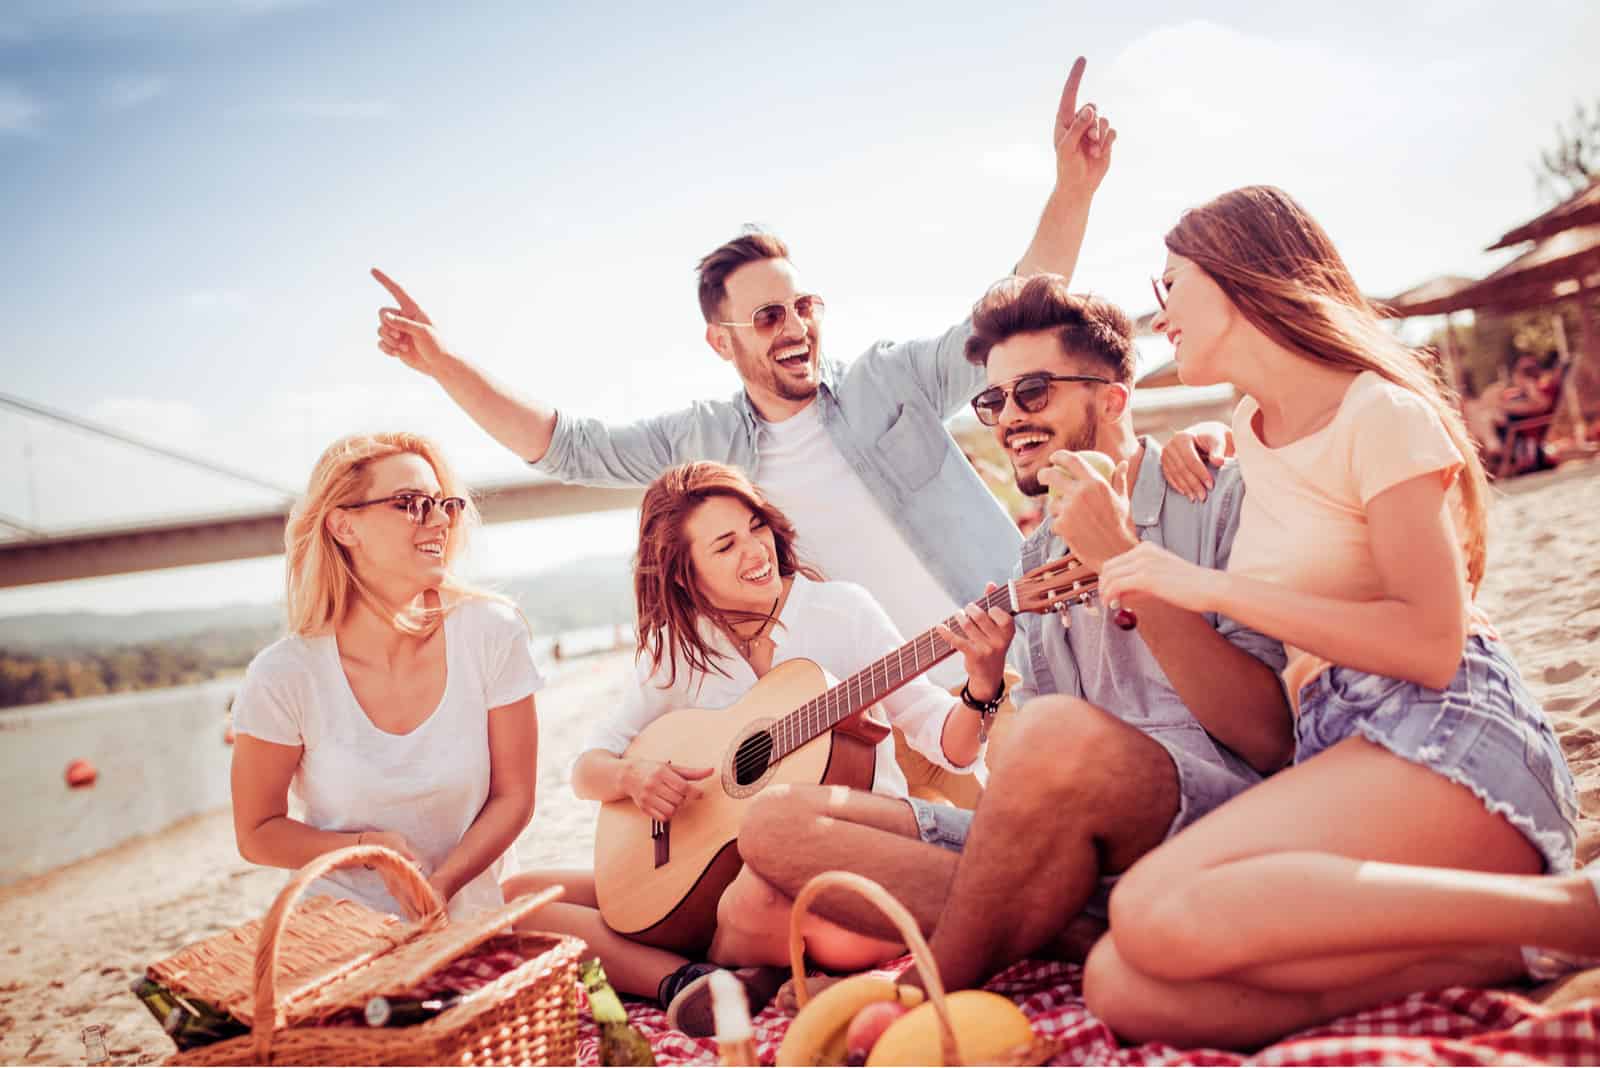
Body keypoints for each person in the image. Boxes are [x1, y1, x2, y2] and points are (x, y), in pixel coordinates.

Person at [368, 58, 1115, 699]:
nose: (793, 327)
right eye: (766, 318)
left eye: (802, 306)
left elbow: (1009, 319)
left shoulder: (889, 380)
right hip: (890, 717)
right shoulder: (705, 444)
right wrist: (441, 364)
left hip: (1023, 654)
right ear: (719, 342)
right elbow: (568, 447)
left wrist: (1073, 191)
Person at [1080, 185, 1586, 1050]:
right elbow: (1282, 474)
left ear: (1241, 278)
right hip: (1338, 742)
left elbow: (1433, 643)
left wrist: (1209, 589)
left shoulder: (1381, 414)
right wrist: (1192, 444)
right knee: (1121, 984)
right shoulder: (1244, 425)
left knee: (1149, 908)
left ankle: (1574, 913)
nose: (1157, 314)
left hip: (1443, 728)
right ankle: (1505, 948)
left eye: (1171, 286)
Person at [735, 274, 1291, 993]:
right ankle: (1074, 931)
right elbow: (1032, 776)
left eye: (1034, 393)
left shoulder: (1219, 497)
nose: (1007, 419)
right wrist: (985, 688)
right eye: (993, 400)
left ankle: (921, 999)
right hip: (1080, 849)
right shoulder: (1037, 553)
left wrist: (1124, 560)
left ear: (1112, 398)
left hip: (1204, 819)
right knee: (775, 824)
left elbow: (1268, 739)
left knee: (1049, 734)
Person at [500, 461, 1014, 1035]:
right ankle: (690, 976)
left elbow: (948, 743)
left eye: (755, 526)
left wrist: (982, 685)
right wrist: (634, 778)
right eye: (725, 545)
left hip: (837, 869)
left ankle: (707, 972)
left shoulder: (840, 610)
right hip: (710, 873)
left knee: (749, 899)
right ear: (683, 574)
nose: (755, 550)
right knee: (520, 897)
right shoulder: (677, 650)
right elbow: (585, 770)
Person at [230, 432, 540, 921]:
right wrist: (366, 849)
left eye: (444, 504)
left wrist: (441, 886)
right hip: (340, 931)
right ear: (343, 526)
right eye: (411, 503)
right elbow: (257, 831)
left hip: (474, 918)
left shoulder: (490, 633)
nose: (439, 521)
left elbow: (515, 795)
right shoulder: (284, 675)